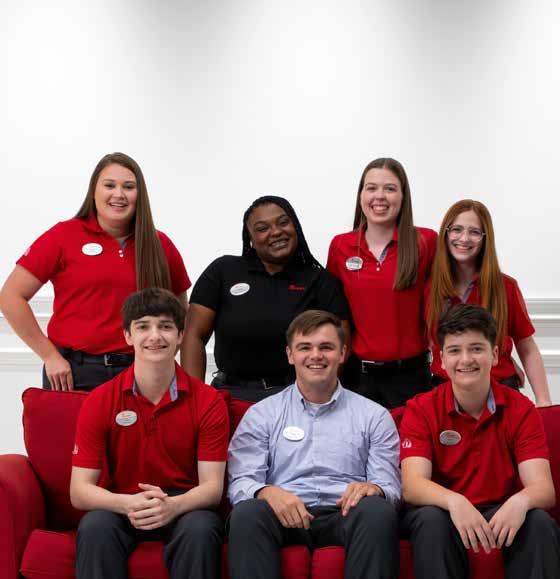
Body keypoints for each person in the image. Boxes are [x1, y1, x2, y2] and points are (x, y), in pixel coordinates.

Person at [227, 310, 401, 579]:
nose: (316, 355)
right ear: (290, 354)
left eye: (326, 347)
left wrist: (374, 489)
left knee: (377, 510)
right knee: (248, 513)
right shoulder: (262, 414)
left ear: (342, 353)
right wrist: (265, 491)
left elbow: (389, 485)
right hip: (284, 514)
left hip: (346, 513)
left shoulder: (374, 416)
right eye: (305, 347)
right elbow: (241, 481)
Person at [70, 288, 229, 579]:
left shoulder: (209, 401)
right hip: (122, 504)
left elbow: (212, 488)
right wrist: (126, 503)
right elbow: (79, 491)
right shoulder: (99, 400)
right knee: (95, 526)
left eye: (165, 326)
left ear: (180, 335)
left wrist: (173, 506)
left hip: (183, 505)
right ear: (128, 336)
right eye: (143, 327)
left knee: (202, 527)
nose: (155, 336)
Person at [0, 152, 190, 391]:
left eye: (128, 187)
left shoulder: (159, 244)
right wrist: (49, 355)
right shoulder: (63, 236)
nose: (119, 194)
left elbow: (180, 310)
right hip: (74, 374)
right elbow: (10, 296)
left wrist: (164, 356)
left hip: (141, 373)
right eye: (109, 185)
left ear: (139, 194)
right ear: (94, 191)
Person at [400, 303, 559, 579]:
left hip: (501, 511)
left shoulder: (521, 409)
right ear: (441, 359)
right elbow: (413, 486)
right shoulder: (420, 408)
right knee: (430, 519)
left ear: (494, 355)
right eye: (454, 351)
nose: (466, 360)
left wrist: (520, 502)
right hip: (444, 513)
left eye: (476, 348)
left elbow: (543, 488)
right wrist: (455, 502)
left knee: (539, 522)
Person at [184, 195, 350, 401]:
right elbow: (194, 335)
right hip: (231, 396)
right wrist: (195, 400)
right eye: (262, 228)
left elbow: (341, 342)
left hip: (296, 398)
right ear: (250, 238)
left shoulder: (320, 281)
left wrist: (317, 398)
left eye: (283, 222)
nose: (276, 232)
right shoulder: (223, 271)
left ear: (295, 227)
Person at [327, 157, 437, 408]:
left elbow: (450, 301)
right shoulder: (341, 246)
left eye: (390, 188)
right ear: (361, 195)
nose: (380, 196)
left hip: (411, 378)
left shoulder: (426, 242)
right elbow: (332, 314)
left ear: (403, 196)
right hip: (357, 379)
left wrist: (501, 351)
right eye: (371, 188)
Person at [427, 199, 552, 406]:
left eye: (474, 232)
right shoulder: (429, 288)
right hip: (445, 390)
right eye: (456, 229)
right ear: (446, 234)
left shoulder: (505, 287)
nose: (464, 238)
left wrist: (544, 401)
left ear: (485, 239)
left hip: (500, 389)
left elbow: (527, 347)